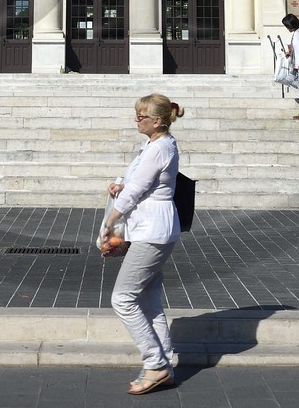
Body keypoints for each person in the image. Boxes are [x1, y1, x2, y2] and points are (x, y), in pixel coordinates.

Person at [99, 94, 183, 395]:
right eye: (136, 115)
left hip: (153, 231)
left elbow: (136, 191)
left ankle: (155, 363)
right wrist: (120, 186)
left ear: (158, 120)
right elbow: (139, 184)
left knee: (123, 298)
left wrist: (109, 223)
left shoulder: (159, 147)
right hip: (154, 229)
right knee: (148, 298)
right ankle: (165, 361)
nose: (137, 120)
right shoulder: (154, 146)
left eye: (141, 116)